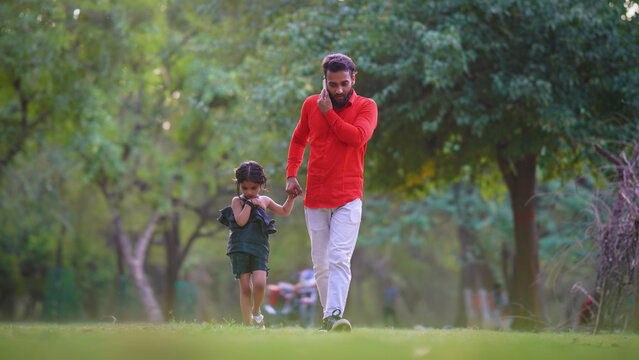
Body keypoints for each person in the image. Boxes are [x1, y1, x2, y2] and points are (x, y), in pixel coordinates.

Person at [285, 53, 378, 332]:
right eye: (333, 84)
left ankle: (334, 314)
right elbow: (299, 138)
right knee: (321, 264)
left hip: (349, 197)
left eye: (344, 84)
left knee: (339, 257)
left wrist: (328, 113)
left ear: (353, 79)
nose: (339, 90)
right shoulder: (310, 104)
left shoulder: (366, 106)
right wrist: (291, 174)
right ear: (324, 80)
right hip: (315, 197)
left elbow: (357, 137)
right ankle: (331, 321)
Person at [218, 161, 297, 329]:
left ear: (260, 185)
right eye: (244, 188)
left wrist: (290, 198)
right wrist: (249, 204)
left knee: (260, 283)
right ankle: (248, 325)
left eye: (253, 188)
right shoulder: (237, 201)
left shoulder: (265, 200)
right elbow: (240, 221)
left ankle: (256, 311)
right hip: (239, 248)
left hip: (259, 247)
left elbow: (284, 211)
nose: (248, 192)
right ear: (239, 185)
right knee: (246, 287)